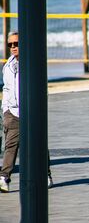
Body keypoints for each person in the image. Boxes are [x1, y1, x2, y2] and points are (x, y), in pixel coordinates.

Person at [0, 31, 53, 193]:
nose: (13, 47)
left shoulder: (33, 62)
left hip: (32, 111)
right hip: (12, 112)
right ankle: (4, 178)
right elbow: (6, 88)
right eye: (10, 45)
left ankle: (45, 174)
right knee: (10, 145)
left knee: (38, 144)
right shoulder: (8, 66)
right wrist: (5, 109)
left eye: (16, 44)